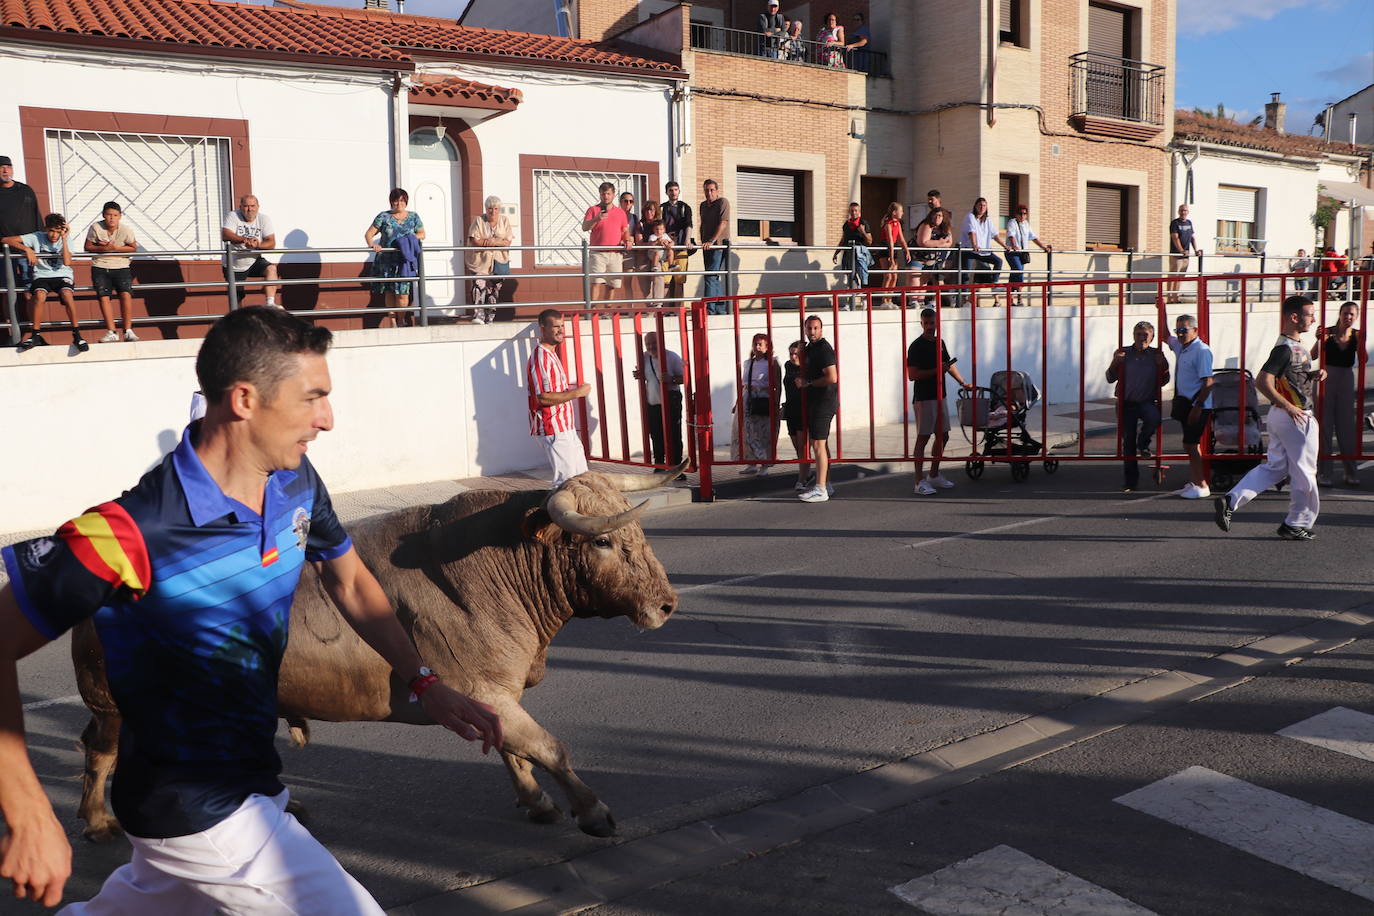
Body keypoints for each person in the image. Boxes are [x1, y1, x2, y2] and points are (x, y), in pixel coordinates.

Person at [0, 306, 501, 913]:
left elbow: (349, 580)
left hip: (247, 783)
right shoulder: (128, 533)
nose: (328, 418)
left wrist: (426, 683)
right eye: (312, 397)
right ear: (244, 399)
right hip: (196, 809)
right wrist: (28, 815)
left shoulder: (295, 481)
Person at [1214, 295, 1325, 540]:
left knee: (1275, 468)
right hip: (1295, 417)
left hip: (1282, 416)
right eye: (1309, 314)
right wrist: (1288, 405)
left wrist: (1312, 375)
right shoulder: (1285, 348)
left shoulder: (1293, 345)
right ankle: (1296, 523)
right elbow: (1263, 380)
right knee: (1305, 473)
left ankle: (1231, 500)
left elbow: (1290, 377)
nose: (1314, 319)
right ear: (1294, 317)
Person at [908, 308, 970, 495]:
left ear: (937, 323)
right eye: (926, 323)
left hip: (939, 395)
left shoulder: (939, 342)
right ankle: (919, 481)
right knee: (924, 437)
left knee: (943, 435)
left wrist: (963, 382)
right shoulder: (916, 346)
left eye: (932, 323)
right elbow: (913, 375)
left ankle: (934, 475)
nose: (929, 326)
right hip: (924, 398)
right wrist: (937, 370)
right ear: (921, 324)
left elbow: (948, 366)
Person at [5, 213, 87, 353]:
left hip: (62, 275)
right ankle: (35, 335)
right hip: (42, 276)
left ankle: (77, 334)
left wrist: (65, 239)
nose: (54, 235)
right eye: (51, 231)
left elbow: (67, 262)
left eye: (57, 231)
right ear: (45, 229)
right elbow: (6, 239)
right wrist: (27, 249)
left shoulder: (66, 239)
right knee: (39, 296)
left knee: (67, 295)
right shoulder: (37, 237)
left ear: (62, 230)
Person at [1105, 320, 1170, 492]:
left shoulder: (1157, 354)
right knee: (1128, 444)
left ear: (1152, 337)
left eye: (1145, 335)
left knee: (1154, 418)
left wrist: (1161, 365)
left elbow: (1164, 380)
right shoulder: (1123, 353)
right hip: (1127, 404)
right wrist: (1115, 363)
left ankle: (1144, 442)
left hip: (1147, 401)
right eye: (1138, 334)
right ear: (1133, 335)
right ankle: (1131, 482)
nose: (1141, 338)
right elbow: (1110, 378)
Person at [528, 308, 591, 485]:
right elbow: (542, 398)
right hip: (553, 427)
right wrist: (577, 393)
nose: (561, 330)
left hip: (565, 427)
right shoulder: (541, 357)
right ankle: (556, 513)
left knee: (582, 479)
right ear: (542, 328)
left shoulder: (551, 354)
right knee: (566, 483)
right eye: (555, 327)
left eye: (562, 326)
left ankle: (584, 512)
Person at [1158, 309, 1214, 499]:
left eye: (1185, 330)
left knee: (1190, 444)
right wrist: (1163, 309)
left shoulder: (1201, 351)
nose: (1180, 334)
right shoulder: (1182, 347)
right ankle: (1195, 481)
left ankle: (1202, 485)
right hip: (1186, 404)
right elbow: (1165, 336)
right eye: (1178, 330)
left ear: (1195, 331)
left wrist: (1197, 407)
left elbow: (1208, 382)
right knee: (1190, 445)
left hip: (1197, 406)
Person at [1312, 301, 1364, 487]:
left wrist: (1362, 342)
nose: (1348, 317)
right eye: (1346, 313)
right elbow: (1313, 356)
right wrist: (1319, 339)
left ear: (1356, 316)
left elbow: (1363, 359)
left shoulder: (1357, 335)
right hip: (1326, 377)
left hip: (1346, 378)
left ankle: (1351, 472)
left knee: (1346, 427)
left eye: (1352, 314)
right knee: (1324, 425)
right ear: (1340, 314)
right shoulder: (1327, 331)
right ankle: (1324, 473)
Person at [364, 188, 425, 327]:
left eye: (402, 200)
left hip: (404, 261)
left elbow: (422, 234)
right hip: (386, 261)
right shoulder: (383, 216)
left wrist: (409, 239)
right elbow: (368, 234)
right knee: (390, 292)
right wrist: (373, 245)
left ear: (406, 201)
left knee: (403, 294)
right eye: (396, 200)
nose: (399, 203)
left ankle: (401, 319)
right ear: (391, 202)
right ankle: (392, 321)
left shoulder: (413, 217)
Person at [84, 201, 139, 342]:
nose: (112, 218)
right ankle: (111, 331)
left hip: (121, 266)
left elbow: (133, 247)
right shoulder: (96, 227)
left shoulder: (126, 230)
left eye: (115, 215)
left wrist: (115, 248)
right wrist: (103, 248)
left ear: (120, 216)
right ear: (103, 215)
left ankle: (128, 330)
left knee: (126, 295)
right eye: (108, 215)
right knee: (104, 296)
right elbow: (88, 246)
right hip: (100, 266)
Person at [797, 315, 838, 502]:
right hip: (818, 401)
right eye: (809, 328)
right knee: (822, 444)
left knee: (818, 445)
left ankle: (820, 489)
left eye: (815, 328)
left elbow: (832, 377)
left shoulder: (823, 349)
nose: (812, 332)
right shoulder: (812, 348)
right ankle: (826, 483)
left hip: (824, 402)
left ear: (821, 329)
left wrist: (809, 383)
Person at [633, 330, 684, 467]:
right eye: (648, 344)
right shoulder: (644, 357)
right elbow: (643, 375)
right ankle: (660, 465)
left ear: (661, 342)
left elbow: (685, 377)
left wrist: (672, 379)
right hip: (652, 402)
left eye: (654, 343)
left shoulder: (672, 357)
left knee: (674, 435)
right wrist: (638, 374)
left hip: (671, 401)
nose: (651, 347)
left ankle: (676, 467)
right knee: (655, 434)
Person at [221, 194, 280, 308]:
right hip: (234, 263)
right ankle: (237, 320)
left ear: (258, 206)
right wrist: (245, 240)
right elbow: (226, 234)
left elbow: (271, 242)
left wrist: (257, 245)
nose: (250, 209)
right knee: (236, 299)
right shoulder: (233, 216)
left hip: (253, 260)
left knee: (271, 269)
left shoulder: (264, 219)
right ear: (240, 207)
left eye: (252, 206)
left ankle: (270, 304)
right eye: (246, 206)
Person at [737, 333, 781, 475]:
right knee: (747, 431)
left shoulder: (772, 363)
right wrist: (738, 402)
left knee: (764, 432)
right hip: (749, 397)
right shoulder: (748, 363)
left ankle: (765, 463)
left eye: (760, 344)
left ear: (767, 346)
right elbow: (743, 384)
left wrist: (776, 402)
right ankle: (751, 462)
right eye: (755, 344)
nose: (757, 347)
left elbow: (777, 385)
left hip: (764, 397)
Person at [465, 194, 512, 325]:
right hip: (481, 261)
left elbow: (507, 242)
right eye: (490, 208)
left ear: (499, 209)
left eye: (496, 208)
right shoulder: (479, 220)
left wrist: (488, 241)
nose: (493, 211)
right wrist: (495, 241)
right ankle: (478, 315)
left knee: (493, 290)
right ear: (486, 209)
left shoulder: (505, 221)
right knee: (478, 287)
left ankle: (490, 317)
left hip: (498, 261)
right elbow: (475, 240)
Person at [581, 181, 631, 305]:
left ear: (613, 195)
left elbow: (625, 230)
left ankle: (607, 311)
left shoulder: (620, 212)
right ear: (600, 195)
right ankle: (592, 312)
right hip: (598, 253)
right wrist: (597, 218)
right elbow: (585, 227)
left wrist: (628, 240)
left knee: (612, 284)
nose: (606, 196)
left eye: (608, 193)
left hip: (615, 253)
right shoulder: (593, 209)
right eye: (603, 194)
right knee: (596, 282)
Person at [0, 154, 42, 292]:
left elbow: (37, 217)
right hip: (4, 251)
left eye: (8, 167)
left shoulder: (25, 190)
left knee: (32, 289)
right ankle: (9, 315)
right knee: (7, 290)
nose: (5, 171)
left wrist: (41, 245)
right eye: (1, 167)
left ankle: (30, 315)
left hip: (28, 250)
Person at [961, 197, 1010, 304]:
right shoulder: (970, 216)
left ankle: (995, 285)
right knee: (966, 273)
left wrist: (1005, 246)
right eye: (980, 205)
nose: (982, 207)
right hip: (969, 250)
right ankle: (964, 299)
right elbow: (971, 232)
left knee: (998, 261)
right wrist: (974, 244)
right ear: (975, 206)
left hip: (983, 251)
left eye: (984, 205)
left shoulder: (987, 219)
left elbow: (995, 235)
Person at [1004, 205, 1052, 306]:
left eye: (1024, 213)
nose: (1022, 215)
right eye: (1020, 213)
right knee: (1018, 271)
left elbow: (1033, 237)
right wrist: (1014, 245)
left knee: (1016, 274)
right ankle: (1019, 297)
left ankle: (1012, 298)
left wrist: (1043, 247)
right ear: (1016, 214)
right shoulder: (1012, 222)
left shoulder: (1026, 224)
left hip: (1022, 253)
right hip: (1012, 252)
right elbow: (1011, 235)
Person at [782, 340, 811, 490]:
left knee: (802, 447)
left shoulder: (807, 368)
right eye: (791, 353)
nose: (793, 357)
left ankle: (802, 479)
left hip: (803, 410)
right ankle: (807, 472)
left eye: (796, 354)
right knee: (796, 446)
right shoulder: (787, 365)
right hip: (791, 409)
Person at [699, 179, 731, 313]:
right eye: (706, 190)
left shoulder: (722, 202)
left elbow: (723, 223)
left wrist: (712, 241)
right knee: (714, 277)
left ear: (717, 191)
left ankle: (709, 310)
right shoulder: (703, 205)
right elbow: (703, 224)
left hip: (718, 245)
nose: (709, 193)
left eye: (712, 190)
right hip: (706, 245)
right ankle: (720, 309)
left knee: (711, 276)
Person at [661, 181, 694, 304]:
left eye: (675, 189)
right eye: (671, 190)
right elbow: (659, 226)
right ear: (666, 192)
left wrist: (687, 240)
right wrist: (665, 236)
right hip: (666, 248)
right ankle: (664, 309)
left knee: (680, 280)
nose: (673, 192)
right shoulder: (662, 208)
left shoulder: (685, 207)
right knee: (665, 281)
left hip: (681, 247)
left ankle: (678, 310)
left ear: (679, 191)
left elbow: (689, 224)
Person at [914, 207, 955, 305]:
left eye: (940, 216)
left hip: (940, 257)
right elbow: (924, 242)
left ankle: (936, 301)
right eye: (935, 215)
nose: (937, 217)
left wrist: (939, 244)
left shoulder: (946, 227)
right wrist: (940, 242)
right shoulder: (927, 225)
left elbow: (949, 242)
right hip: (926, 256)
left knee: (939, 279)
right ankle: (918, 301)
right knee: (924, 278)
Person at [876, 202, 911, 306]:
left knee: (894, 276)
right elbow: (890, 241)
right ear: (894, 212)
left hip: (893, 249)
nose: (903, 213)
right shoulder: (888, 224)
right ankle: (884, 301)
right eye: (901, 211)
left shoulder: (898, 223)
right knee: (888, 276)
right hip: (886, 249)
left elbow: (901, 239)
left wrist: (907, 251)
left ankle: (889, 299)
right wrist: (890, 258)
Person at [833, 201, 872, 290]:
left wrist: (863, 232)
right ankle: (851, 299)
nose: (854, 213)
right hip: (848, 253)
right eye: (852, 211)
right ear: (849, 212)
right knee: (850, 276)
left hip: (860, 254)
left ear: (859, 212)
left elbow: (870, 241)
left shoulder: (863, 223)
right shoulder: (846, 225)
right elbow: (843, 240)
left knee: (862, 275)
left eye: (855, 211)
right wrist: (836, 253)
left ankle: (864, 299)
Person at [1166, 204, 1201, 303]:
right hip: (1176, 255)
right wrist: (1181, 250)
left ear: (1187, 212)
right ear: (1178, 211)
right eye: (1181, 210)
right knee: (1173, 276)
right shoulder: (1175, 223)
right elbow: (1175, 238)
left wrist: (1195, 250)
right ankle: (1169, 298)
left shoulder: (1189, 223)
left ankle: (1175, 296)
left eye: (1185, 210)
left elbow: (1192, 237)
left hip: (1186, 255)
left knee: (1180, 277)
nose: (1183, 212)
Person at [641, 217, 673, 307]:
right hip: (653, 254)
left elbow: (672, 242)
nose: (659, 231)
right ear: (654, 230)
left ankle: (671, 265)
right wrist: (657, 242)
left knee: (671, 251)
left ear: (664, 230)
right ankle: (654, 266)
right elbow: (650, 244)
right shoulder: (653, 236)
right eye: (657, 229)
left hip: (663, 255)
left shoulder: (665, 235)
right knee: (656, 253)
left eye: (661, 229)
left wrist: (668, 244)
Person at [619, 191, 643, 301]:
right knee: (613, 282)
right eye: (625, 201)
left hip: (629, 253)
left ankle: (630, 310)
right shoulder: (616, 215)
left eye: (631, 201)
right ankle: (608, 309)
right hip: (616, 251)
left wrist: (632, 238)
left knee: (628, 282)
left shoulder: (634, 217)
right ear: (620, 202)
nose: (628, 203)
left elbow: (637, 234)